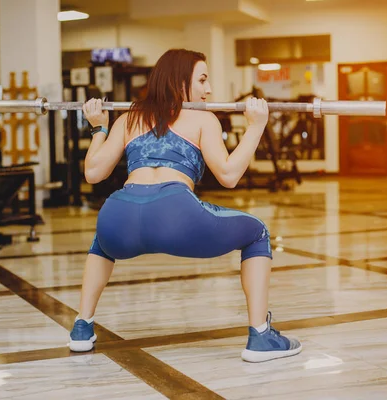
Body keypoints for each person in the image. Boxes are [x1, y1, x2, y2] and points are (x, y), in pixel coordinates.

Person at [69, 49, 302, 363]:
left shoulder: (129, 117)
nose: (208, 90)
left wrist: (99, 128)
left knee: (103, 238)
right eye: (202, 80)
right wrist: (257, 125)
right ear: (179, 82)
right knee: (257, 232)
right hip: (174, 211)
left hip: (119, 213)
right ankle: (260, 334)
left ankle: (82, 326)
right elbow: (230, 175)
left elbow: (93, 173)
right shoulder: (202, 118)